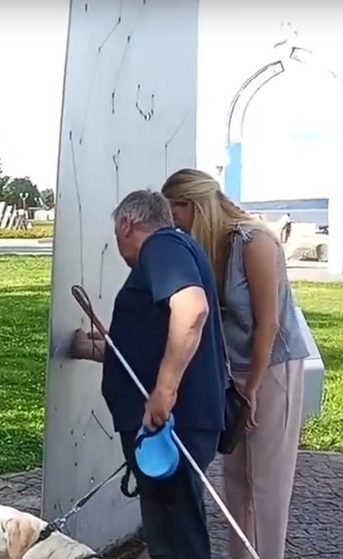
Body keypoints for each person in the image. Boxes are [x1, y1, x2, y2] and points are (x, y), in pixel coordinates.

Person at [161, 169, 308, 559]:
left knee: (266, 486)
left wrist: (253, 387)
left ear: (193, 206)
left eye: (176, 213)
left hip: (272, 368)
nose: (174, 224)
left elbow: (269, 323)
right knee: (236, 482)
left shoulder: (254, 242)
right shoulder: (206, 246)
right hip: (233, 371)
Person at [70, 190, 225, 559]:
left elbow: (191, 310)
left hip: (172, 424)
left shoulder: (162, 246)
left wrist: (164, 391)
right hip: (175, 421)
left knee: (175, 541)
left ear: (127, 224)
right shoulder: (175, 249)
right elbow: (160, 332)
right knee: (175, 532)